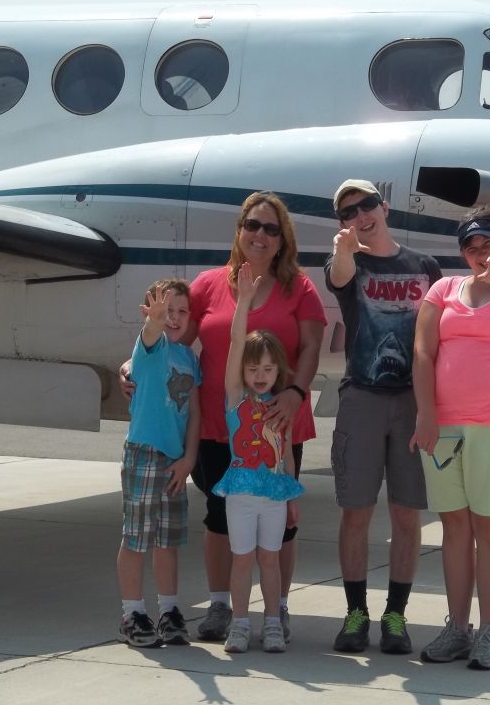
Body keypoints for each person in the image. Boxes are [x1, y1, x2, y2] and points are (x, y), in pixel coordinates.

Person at [120, 191, 325, 643]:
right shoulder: (210, 284)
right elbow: (170, 341)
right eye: (252, 224)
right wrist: (131, 367)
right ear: (239, 231)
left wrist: (294, 392)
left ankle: (278, 608)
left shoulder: (299, 287)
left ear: (282, 238)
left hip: (277, 418)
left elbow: (312, 347)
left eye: (271, 228)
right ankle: (219, 605)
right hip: (217, 420)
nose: (260, 234)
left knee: (281, 522)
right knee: (218, 514)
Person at [409, 207, 490, 670]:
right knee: (454, 529)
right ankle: (458, 628)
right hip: (443, 427)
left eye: (487, 242)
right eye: (470, 246)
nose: (479, 253)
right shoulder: (443, 290)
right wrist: (426, 414)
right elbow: (424, 352)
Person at [324, 179, 442, 655]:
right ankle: (356, 612)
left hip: (412, 401)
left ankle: (396, 614)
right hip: (363, 398)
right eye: (349, 211)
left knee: (406, 513)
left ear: (384, 206)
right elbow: (337, 276)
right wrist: (344, 247)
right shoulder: (347, 263)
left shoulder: (424, 267)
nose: (360, 214)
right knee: (356, 512)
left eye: (367, 204)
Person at [214, 262, 304, 653]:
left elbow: (285, 456)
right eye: (254, 369)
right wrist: (245, 302)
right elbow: (235, 343)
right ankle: (239, 624)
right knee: (241, 561)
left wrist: (294, 497)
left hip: (275, 495)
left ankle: (271, 622)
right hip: (241, 493)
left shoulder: (281, 406)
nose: (261, 375)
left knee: (270, 561)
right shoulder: (236, 398)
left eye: (268, 368)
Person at [117, 278, 201, 648]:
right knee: (136, 538)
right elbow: (150, 333)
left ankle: (169, 610)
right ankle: (132, 613)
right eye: (169, 310)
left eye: (182, 311)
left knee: (167, 541)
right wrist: (154, 320)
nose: (175, 317)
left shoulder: (189, 358)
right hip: (144, 452)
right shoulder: (149, 346)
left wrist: (189, 460)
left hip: (174, 459)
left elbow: (195, 415)